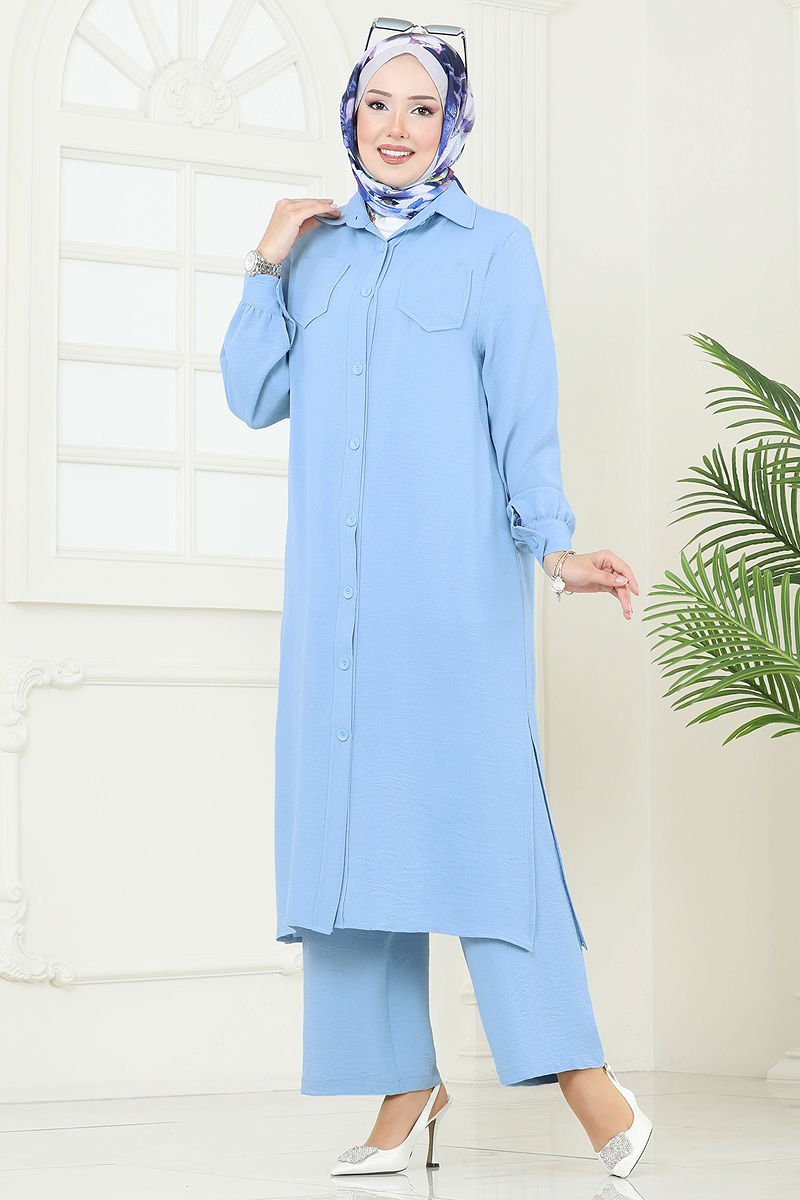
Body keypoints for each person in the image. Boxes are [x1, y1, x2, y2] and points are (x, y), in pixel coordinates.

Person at [220, 23, 650, 1182]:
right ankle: (401, 1090)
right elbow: (251, 395)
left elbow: (523, 410)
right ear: (350, 116)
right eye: (378, 105)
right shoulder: (314, 255)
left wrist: (553, 547)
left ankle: (583, 1079)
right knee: (345, 838)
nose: (397, 128)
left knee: (483, 827)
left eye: (421, 108)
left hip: (454, 596)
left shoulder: (492, 248)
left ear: (451, 122)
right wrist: (264, 264)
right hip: (336, 612)